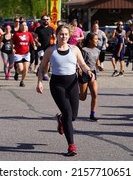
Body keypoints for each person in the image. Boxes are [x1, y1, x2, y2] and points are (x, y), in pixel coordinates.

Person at [36, 24, 94, 156]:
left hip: (72, 84)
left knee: (73, 116)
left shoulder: (75, 50)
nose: (64, 36)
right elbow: (42, 67)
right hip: (57, 85)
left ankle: (61, 119)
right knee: (68, 114)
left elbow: (83, 64)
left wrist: (88, 71)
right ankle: (71, 146)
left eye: (66, 34)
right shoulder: (51, 50)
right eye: (61, 34)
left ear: (69, 36)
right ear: (56, 35)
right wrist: (39, 82)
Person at [78, 32, 103, 122]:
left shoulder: (97, 50)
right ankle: (72, 95)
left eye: (97, 39)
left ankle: (92, 114)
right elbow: (80, 62)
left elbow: (97, 61)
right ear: (90, 40)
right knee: (82, 97)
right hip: (84, 73)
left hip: (93, 73)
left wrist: (99, 66)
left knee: (95, 94)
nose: (97, 41)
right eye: (96, 39)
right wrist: (79, 69)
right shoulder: (84, 50)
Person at [12, 20, 35, 87]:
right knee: (20, 68)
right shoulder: (16, 34)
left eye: (25, 25)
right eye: (22, 25)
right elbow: (12, 42)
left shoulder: (29, 34)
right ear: (20, 26)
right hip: (18, 54)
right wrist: (12, 48)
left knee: (26, 69)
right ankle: (17, 72)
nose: (24, 26)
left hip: (26, 54)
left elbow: (32, 42)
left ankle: (22, 81)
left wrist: (34, 46)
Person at [34, 15, 56, 80]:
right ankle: (41, 71)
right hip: (41, 47)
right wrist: (37, 42)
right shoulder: (38, 29)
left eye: (47, 19)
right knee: (43, 60)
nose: (46, 21)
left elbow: (54, 37)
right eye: (44, 19)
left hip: (48, 47)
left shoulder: (51, 29)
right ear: (41, 20)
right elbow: (35, 37)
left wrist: (54, 41)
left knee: (47, 62)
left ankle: (45, 73)